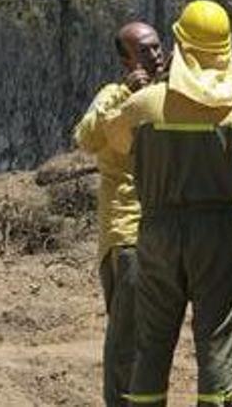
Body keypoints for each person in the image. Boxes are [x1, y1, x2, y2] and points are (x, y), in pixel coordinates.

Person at [103, 0, 232, 407]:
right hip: (215, 231)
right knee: (215, 338)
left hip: (157, 231)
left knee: (152, 341)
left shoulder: (144, 105)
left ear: (180, 45)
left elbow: (116, 140)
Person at [74, 21, 165, 407]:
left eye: (158, 48)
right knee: (125, 335)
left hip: (164, 233)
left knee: (153, 335)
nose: (155, 56)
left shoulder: (168, 93)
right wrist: (126, 96)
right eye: (144, 51)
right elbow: (86, 138)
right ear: (125, 60)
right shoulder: (113, 94)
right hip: (126, 232)